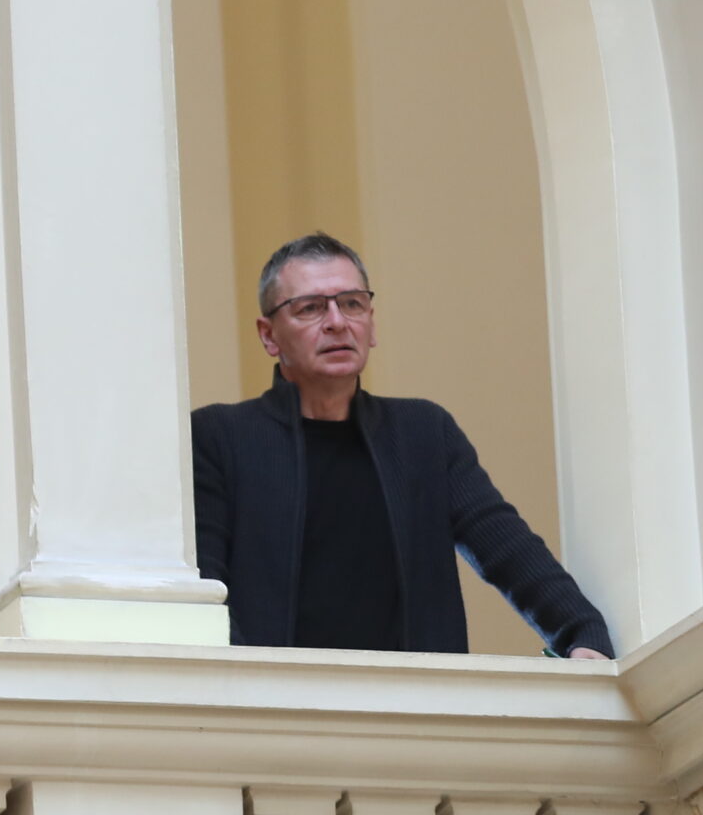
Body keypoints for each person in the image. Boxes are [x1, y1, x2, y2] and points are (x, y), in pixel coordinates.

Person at [191, 232, 615, 658]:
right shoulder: (220, 437)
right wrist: (252, 688)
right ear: (269, 335)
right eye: (311, 308)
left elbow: (507, 547)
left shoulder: (424, 433)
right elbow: (205, 595)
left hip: (415, 695)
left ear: (371, 323)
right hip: (275, 696)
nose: (337, 321)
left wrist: (583, 633)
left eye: (352, 303)